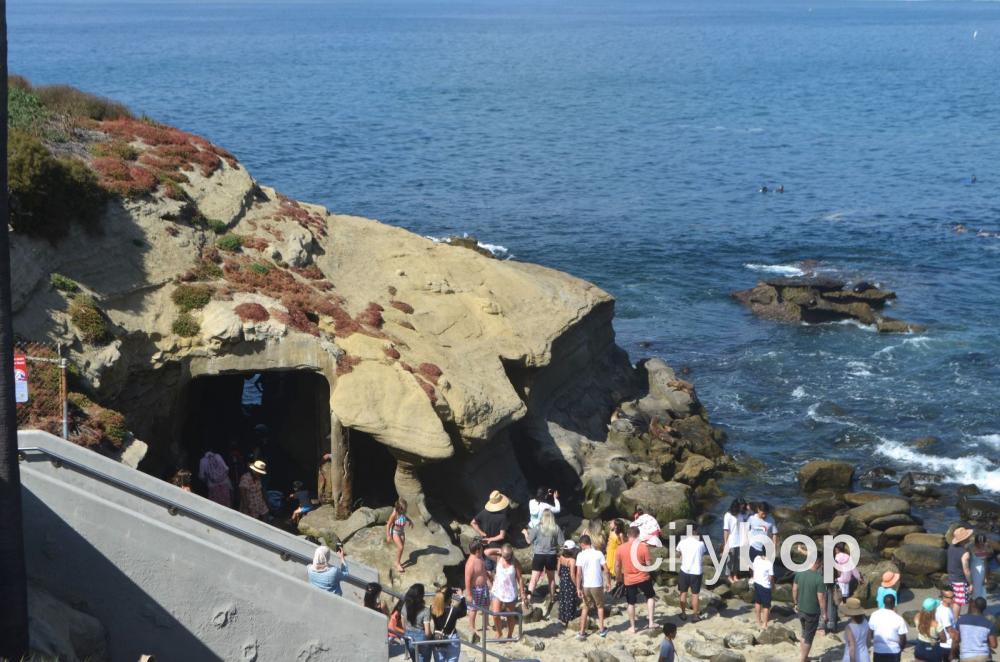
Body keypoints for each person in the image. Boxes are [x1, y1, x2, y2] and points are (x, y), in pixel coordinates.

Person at [615, 525, 657, 634]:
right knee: (650, 597)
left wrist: (618, 577)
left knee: (631, 603)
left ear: (628, 535)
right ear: (638, 535)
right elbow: (648, 564)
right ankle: (651, 622)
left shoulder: (620, 548)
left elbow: (617, 566)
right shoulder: (643, 547)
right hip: (643, 577)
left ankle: (633, 627)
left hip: (629, 579)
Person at [522, 509, 563, 607]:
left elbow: (528, 541)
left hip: (539, 555)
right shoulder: (556, 528)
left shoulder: (537, 528)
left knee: (533, 579)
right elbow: (562, 544)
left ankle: (528, 599)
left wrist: (525, 533)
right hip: (551, 555)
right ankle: (552, 598)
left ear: (542, 517)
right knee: (551, 579)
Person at [793, 556, 828, 662]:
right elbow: (821, 598)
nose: (821, 566)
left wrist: (795, 603)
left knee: (804, 633)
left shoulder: (799, 573)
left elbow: (794, 589)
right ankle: (803, 659)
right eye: (821, 564)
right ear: (817, 564)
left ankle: (804, 656)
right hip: (812, 611)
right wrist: (824, 613)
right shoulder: (819, 578)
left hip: (800, 609)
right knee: (809, 636)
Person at [575, 534, 610, 640]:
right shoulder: (599, 553)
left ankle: (581, 632)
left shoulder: (580, 555)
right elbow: (606, 570)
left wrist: (578, 588)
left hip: (586, 585)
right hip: (597, 585)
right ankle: (602, 630)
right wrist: (608, 582)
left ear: (582, 544)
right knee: (600, 607)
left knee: (585, 608)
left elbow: (578, 574)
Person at [470, 491, 510, 570]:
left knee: (488, 569)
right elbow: (502, 536)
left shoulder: (484, 512)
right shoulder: (503, 517)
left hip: (486, 546)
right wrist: (490, 539)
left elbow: (473, 523)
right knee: (498, 569)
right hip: (497, 548)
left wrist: (482, 534)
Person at [490, 544, 522, 640]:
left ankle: (509, 635)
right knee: (495, 614)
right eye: (504, 556)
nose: (506, 558)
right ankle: (499, 633)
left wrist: (523, 592)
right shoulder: (498, 557)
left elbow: (520, 578)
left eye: (507, 556)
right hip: (497, 590)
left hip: (510, 592)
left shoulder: (515, 563)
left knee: (510, 616)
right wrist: (498, 549)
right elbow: (486, 552)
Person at [676, 523, 706, 622]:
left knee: (683, 593)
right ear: (695, 531)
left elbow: (679, 554)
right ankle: (695, 616)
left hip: (684, 570)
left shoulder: (682, 542)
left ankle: (683, 614)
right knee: (695, 594)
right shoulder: (700, 544)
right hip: (696, 572)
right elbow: (702, 554)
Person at [429, 585, 466, 662]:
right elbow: (463, 612)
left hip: (437, 638)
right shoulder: (454, 611)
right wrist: (461, 597)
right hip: (452, 638)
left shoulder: (432, 609)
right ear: (450, 598)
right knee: (452, 659)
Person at [463, 539, 490, 642]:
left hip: (484, 587)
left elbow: (483, 570)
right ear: (477, 550)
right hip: (474, 589)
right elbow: (467, 579)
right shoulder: (471, 562)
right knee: (473, 609)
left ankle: (486, 624)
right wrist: (469, 594)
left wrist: (489, 579)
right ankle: (471, 626)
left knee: (486, 605)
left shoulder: (480, 557)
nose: (483, 549)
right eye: (481, 548)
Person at [956, 596, 997, 662]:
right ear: (985, 608)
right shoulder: (989, 624)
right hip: (983, 656)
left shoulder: (962, 620)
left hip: (966, 656)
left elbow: (956, 639)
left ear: (973, 605)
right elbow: (994, 645)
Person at [868, 594, 907, 662]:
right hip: (894, 651)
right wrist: (901, 648)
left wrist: (873, 642)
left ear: (883, 602)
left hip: (878, 650)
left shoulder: (874, 615)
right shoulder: (899, 619)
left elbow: (870, 632)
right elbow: (903, 639)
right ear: (894, 603)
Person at [399, 583, 432, 662]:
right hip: (420, 639)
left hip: (408, 637)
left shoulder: (404, 606)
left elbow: (403, 624)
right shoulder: (425, 610)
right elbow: (427, 633)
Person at [948, 528, 974, 620]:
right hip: (960, 579)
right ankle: (956, 619)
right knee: (958, 602)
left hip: (951, 577)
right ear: (965, 539)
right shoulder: (965, 553)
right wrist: (970, 583)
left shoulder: (951, 547)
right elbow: (966, 570)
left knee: (954, 599)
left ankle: (954, 617)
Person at [722, 498, 749, 582]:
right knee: (730, 560)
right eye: (741, 506)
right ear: (736, 506)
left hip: (740, 541)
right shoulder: (728, 515)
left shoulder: (741, 514)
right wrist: (726, 543)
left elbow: (748, 515)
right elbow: (726, 530)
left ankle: (735, 575)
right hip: (731, 541)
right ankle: (729, 575)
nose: (742, 508)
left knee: (737, 560)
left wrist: (748, 509)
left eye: (743, 506)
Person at [386, 499, 413, 574]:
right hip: (395, 532)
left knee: (401, 548)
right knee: (400, 547)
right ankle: (397, 564)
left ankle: (397, 561)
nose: (405, 510)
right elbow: (388, 525)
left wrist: (410, 521)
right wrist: (388, 535)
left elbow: (405, 516)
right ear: (399, 508)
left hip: (401, 532)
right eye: (403, 509)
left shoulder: (403, 512)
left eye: (405, 509)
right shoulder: (394, 514)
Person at [840, 597, 871, 662]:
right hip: (865, 657)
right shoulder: (866, 622)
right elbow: (868, 642)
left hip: (851, 658)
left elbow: (852, 648)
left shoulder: (849, 628)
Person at [915, 597, 945, 661]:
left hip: (919, 647)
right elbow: (943, 639)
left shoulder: (917, 617)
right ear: (934, 610)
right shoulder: (937, 624)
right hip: (932, 649)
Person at [751, 544, 774, 630]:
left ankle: (758, 620)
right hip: (765, 585)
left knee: (757, 602)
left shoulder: (757, 558)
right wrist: (773, 586)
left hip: (757, 582)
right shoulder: (769, 563)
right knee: (766, 606)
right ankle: (764, 624)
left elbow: (753, 568)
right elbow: (771, 577)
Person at [557, 541, 579, 627]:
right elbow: (572, 575)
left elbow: (558, 570)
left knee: (563, 599)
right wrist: (577, 585)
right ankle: (569, 618)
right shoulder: (572, 560)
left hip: (563, 581)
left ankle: (563, 618)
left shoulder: (561, 557)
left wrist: (562, 577)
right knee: (570, 600)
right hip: (570, 582)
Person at [936, 589, 959, 662]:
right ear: (943, 598)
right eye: (951, 597)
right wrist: (952, 654)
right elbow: (954, 636)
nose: (954, 599)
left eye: (954, 596)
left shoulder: (942, 606)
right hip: (948, 647)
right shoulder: (945, 613)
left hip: (946, 646)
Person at [969, 534, 991, 601]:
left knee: (979, 588)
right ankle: (974, 603)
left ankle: (978, 603)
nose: (981, 544)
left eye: (982, 542)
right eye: (979, 542)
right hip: (973, 570)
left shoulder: (986, 549)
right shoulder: (971, 547)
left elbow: (986, 564)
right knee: (973, 589)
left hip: (981, 572)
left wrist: (986, 577)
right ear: (976, 542)